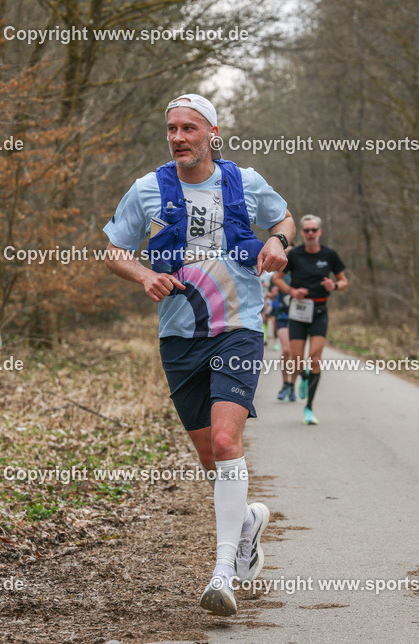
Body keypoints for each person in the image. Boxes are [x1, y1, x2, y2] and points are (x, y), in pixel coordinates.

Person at [102, 94, 295, 616]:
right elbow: (114, 251)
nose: (178, 137)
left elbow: (283, 219)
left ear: (213, 133)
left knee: (228, 442)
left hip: (238, 328)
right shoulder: (147, 189)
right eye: (172, 129)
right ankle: (248, 522)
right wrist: (144, 275)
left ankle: (222, 573)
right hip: (180, 337)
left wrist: (278, 243)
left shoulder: (245, 181)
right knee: (212, 459)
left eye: (189, 128)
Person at [273, 215, 348, 425]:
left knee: (315, 358)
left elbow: (344, 281)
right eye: (306, 230)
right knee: (297, 361)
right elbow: (277, 279)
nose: (310, 234)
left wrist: (334, 286)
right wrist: (292, 291)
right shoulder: (295, 254)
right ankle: (304, 377)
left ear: (319, 232)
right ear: (303, 233)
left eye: (314, 230)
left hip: (319, 311)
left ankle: (309, 408)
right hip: (298, 312)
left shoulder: (329, 255)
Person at [273, 273, 297, 401]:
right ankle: (285, 383)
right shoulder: (279, 275)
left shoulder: (302, 271)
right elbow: (271, 296)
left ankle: (292, 385)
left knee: (296, 355)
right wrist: (272, 295)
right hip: (282, 316)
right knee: (287, 350)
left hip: (299, 317)